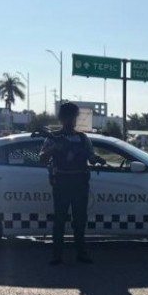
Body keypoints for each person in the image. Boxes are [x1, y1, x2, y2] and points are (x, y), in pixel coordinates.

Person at [39, 102, 106, 265]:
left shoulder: (82, 138)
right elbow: (42, 158)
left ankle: (81, 253)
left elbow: (90, 156)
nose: (72, 120)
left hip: (80, 183)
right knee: (59, 220)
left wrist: (96, 159)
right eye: (69, 117)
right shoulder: (53, 137)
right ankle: (57, 255)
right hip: (61, 182)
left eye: (74, 117)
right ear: (62, 118)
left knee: (80, 220)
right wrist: (54, 148)